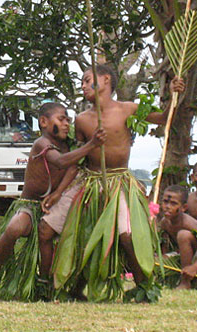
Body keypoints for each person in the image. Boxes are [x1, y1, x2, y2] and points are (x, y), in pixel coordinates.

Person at [39, 64, 185, 302]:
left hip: (119, 182)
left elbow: (163, 118)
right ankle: (63, 287)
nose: (84, 85)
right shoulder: (83, 119)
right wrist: (58, 193)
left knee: (126, 235)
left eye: (88, 80)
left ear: (106, 80)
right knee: (71, 232)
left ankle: (144, 288)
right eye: (83, 82)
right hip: (89, 183)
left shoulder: (128, 109)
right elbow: (78, 161)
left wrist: (174, 95)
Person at [0, 102, 106, 301]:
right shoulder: (42, 143)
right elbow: (60, 161)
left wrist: (58, 193)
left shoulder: (69, 145)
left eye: (68, 119)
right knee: (14, 228)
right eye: (61, 119)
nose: (66, 124)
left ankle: (49, 285)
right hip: (30, 205)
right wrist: (91, 144)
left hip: (55, 205)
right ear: (43, 122)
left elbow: (73, 167)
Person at [160, 185, 197, 289]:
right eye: (165, 202)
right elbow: (162, 242)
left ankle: (185, 282)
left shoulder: (189, 223)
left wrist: (194, 267)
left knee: (183, 235)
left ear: (184, 207)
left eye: (173, 203)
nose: (167, 206)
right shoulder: (164, 222)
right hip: (184, 257)